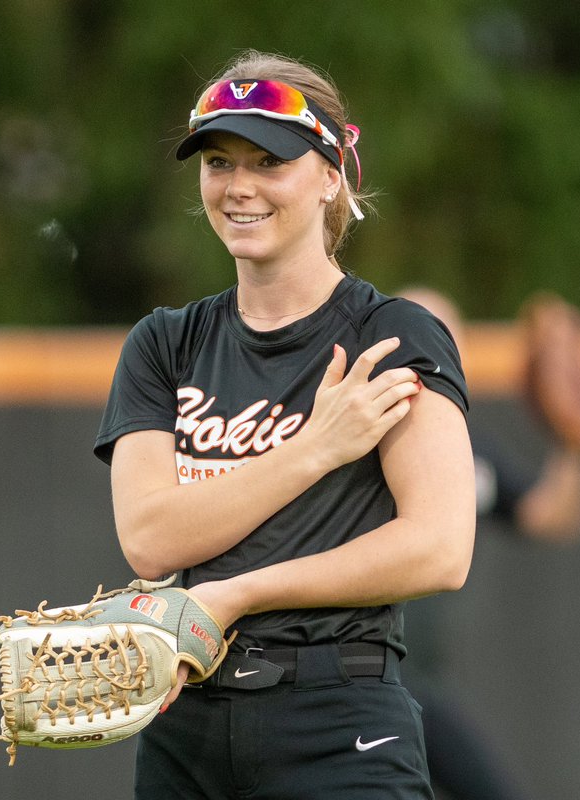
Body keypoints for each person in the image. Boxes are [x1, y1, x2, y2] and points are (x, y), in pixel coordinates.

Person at [94, 50, 476, 799]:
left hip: (340, 722)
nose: (239, 186)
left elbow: (439, 549)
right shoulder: (165, 344)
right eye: (218, 162)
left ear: (331, 172)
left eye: (270, 160)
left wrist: (235, 594)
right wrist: (314, 449)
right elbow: (151, 539)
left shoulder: (391, 335)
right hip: (187, 728)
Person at [397, 286, 580, 800]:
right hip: (352, 680)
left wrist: (573, 443)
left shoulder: (468, 453)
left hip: (421, 686)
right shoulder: (351, 436)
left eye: (443, 337)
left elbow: (547, 517)